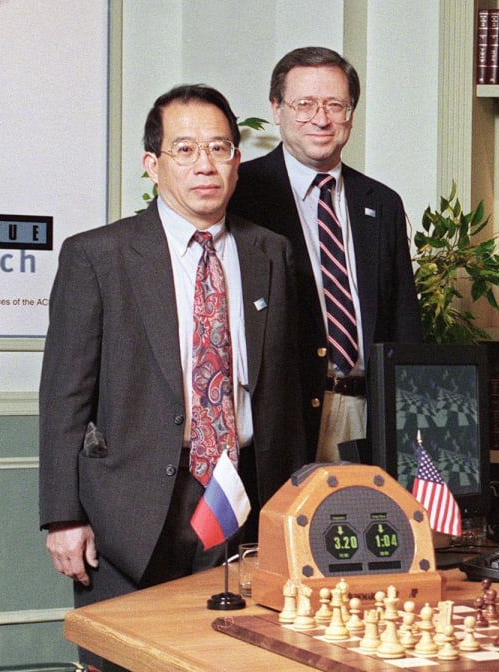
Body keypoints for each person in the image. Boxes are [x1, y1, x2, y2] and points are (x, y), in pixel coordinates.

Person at [39, 84, 305, 606]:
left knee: (235, 665)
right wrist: (63, 516)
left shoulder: (270, 253)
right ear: (152, 164)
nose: (204, 165)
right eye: (184, 150)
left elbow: (286, 391)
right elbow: (64, 398)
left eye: (220, 148)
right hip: (130, 506)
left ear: (237, 162)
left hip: (245, 493)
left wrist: (289, 507)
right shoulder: (98, 256)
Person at [229, 46, 421, 462]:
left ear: (351, 113)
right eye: (305, 104)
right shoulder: (240, 194)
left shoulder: (382, 203)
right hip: (279, 419)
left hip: (366, 414)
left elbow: (405, 326)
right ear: (276, 109)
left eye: (336, 104)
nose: (321, 118)